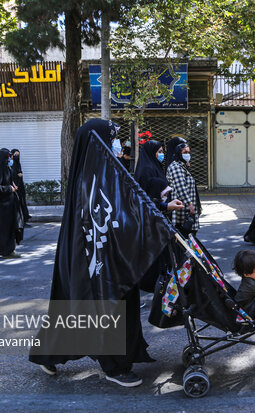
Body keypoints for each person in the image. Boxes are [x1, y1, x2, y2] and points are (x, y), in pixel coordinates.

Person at [30, 118, 173, 388]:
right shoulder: (91, 178)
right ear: (98, 141)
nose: (118, 143)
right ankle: (114, 367)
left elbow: (130, 205)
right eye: (113, 137)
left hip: (115, 257)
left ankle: (48, 353)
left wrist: (162, 208)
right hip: (98, 260)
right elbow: (115, 214)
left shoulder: (107, 171)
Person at [133, 139, 184, 291]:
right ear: (151, 153)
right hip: (150, 221)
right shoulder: (146, 171)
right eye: (159, 152)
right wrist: (165, 205)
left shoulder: (154, 167)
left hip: (160, 218)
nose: (162, 155)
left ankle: (161, 282)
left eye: (162, 152)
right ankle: (151, 284)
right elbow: (144, 201)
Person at [0, 149, 22, 258]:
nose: (9, 159)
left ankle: (9, 249)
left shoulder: (6, 168)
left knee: (9, 228)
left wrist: (12, 185)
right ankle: (6, 251)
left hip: (8, 204)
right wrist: (10, 188)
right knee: (4, 229)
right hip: (1, 206)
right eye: (7, 157)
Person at [166, 143, 201, 237]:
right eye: (185, 152)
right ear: (178, 153)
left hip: (187, 208)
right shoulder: (176, 167)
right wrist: (189, 203)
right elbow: (181, 187)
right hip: (183, 209)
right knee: (185, 234)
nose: (187, 154)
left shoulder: (182, 165)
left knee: (189, 235)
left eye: (189, 152)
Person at [10, 149, 32, 224]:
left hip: (20, 186)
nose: (17, 156)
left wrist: (20, 174)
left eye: (18, 155)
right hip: (14, 187)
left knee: (22, 202)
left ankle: (24, 218)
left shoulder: (17, 163)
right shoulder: (10, 164)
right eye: (15, 154)